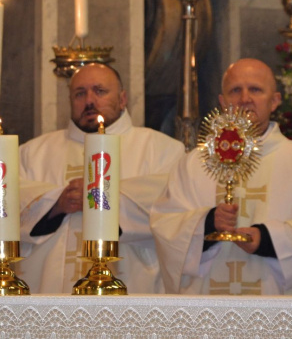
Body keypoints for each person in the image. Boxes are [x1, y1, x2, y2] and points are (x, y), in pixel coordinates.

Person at [150, 59, 292, 295]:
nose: (245, 98)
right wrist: (207, 223)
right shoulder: (193, 163)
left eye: (255, 89)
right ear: (222, 102)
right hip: (209, 310)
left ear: (275, 101)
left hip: (280, 308)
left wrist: (267, 239)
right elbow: (165, 225)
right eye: (235, 90)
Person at [18, 63, 185, 293]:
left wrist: (101, 198)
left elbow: (173, 213)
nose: (89, 101)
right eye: (80, 93)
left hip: (132, 290)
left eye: (100, 91)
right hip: (51, 295)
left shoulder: (162, 149)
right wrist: (55, 203)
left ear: (123, 99)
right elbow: (4, 210)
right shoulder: (33, 152)